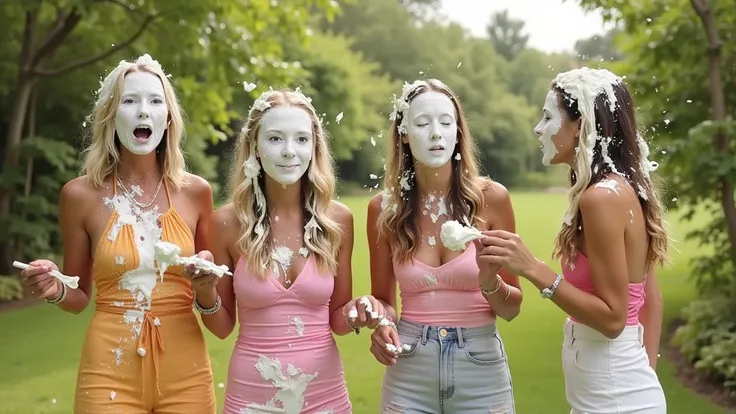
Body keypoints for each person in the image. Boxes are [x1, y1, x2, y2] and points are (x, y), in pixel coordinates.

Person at [18, 54, 217, 413]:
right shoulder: (79, 196)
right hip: (108, 372)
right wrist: (55, 288)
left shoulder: (196, 192)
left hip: (186, 372)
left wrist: (207, 285)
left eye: (155, 101)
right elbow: (79, 296)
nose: (143, 111)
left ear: (168, 117)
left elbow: (213, 304)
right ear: (110, 114)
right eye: (130, 101)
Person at [477, 67, 668, 414]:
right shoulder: (620, 189)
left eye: (548, 117)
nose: (538, 128)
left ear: (581, 124)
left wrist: (533, 269)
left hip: (615, 400)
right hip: (619, 394)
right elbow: (651, 302)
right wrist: (642, 377)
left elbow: (613, 320)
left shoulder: (602, 199)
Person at [196, 88, 383, 414]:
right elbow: (223, 327)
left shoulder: (337, 220)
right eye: (275, 139)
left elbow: (338, 319)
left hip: (324, 396)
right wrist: (204, 293)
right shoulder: (226, 224)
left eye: (300, 139)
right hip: (251, 400)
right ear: (254, 147)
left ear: (314, 147)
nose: (288, 152)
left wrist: (359, 311)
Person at [367, 79, 523, 413]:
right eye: (423, 123)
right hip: (409, 368)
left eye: (446, 122)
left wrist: (488, 281)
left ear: (458, 132)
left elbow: (511, 308)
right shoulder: (383, 208)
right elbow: (384, 301)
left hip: (480, 367)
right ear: (404, 135)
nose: (436, 133)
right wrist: (381, 325)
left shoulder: (492, 199)